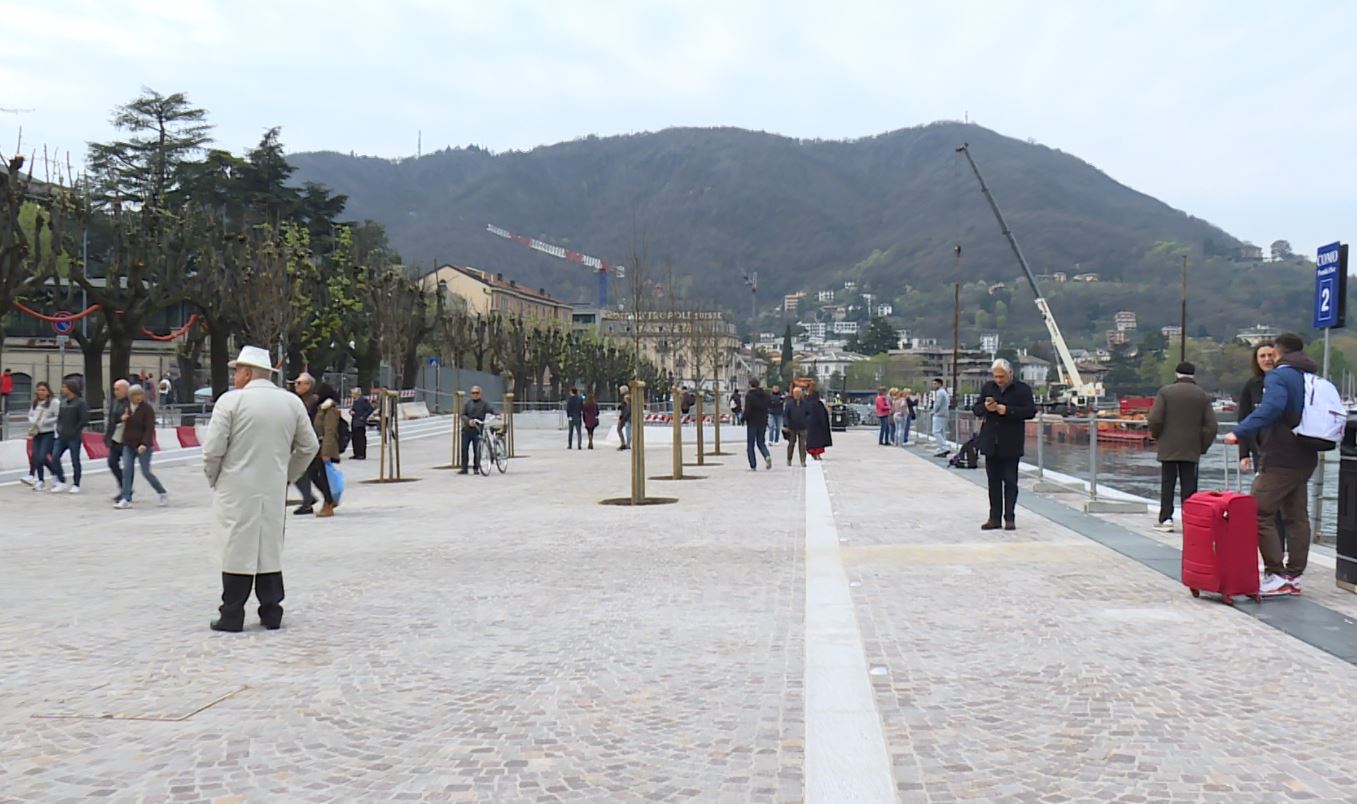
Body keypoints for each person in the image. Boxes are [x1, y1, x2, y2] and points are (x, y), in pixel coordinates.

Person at [202, 345, 319, 632]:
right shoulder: (291, 403)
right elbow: (309, 445)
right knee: (268, 548)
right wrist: (288, 475)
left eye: (236, 372)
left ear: (245, 372)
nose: (234, 378)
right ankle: (271, 610)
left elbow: (213, 449)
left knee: (236, 548)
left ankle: (232, 612)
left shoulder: (230, 402)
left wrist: (214, 477)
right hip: (272, 486)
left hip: (235, 485)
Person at [1224, 332, 1318, 596]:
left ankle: (1275, 573)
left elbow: (1271, 407)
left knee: (1258, 511)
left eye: (1272, 353)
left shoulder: (1280, 375)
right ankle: (1295, 575)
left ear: (1279, 352)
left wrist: (1239, 433)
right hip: (1306, 454)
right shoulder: (1310, 375)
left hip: (1280, 455)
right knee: (1296, 515)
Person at [1147, 362, 1218, 532]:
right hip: (1191, 448)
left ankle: (1166, 519)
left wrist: (1157, 436)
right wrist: (1202, 446)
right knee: (1190, 487)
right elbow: (1212, 427)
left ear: (1176, 373)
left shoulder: (1165, 392)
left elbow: (1155, 419)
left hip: (1168, 447)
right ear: (1194, 375)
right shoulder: (1202, 396)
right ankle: (1190, 521)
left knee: (1167, 484)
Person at [972, 359, 1037, 531]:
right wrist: (986, 408)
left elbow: (1030, 411)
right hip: (990, 441)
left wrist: (1007, 410)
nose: (999, 380)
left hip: (1011, 441)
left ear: (1010, 374)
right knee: (993, 482)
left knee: (1010, 481)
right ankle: (994, 518)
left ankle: (1010, 517)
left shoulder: (1022, 389)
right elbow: (976, 409)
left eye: (1002, 376)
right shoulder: (988, 387)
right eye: (996, 376)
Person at [115, 384, 169, 509]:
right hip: (128, 444)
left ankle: (162, 492)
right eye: (135, 395)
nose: (138, 397)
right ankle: (126, 498)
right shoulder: (126, 407)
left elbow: (149, 428)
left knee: (146, 472)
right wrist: (122, 418)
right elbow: (117, 420)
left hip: (143, 445)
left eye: (140, 394)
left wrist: (144, 443)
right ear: (130, 396)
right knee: (127, 471)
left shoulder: (147, 409)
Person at [1238, 342, 1278, 474]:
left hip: (1283, 450)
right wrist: (1244, 454)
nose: (1267, 359)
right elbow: (1244, 420)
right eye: (1262, 356)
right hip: (1259, 450)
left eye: (1270, 355)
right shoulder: (1251, 385)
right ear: (1256, 360)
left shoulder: (1286, 382)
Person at [49, 379, 90, 494]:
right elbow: (60, 417)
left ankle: (76, 483)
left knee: (75, 460)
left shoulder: (80, 403)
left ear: (71, 389)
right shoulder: (63, 402)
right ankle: (61, 480)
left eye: (64, 387)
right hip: (62, 436)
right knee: (55, 457)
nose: (62, 390)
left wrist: (75, 430)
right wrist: (59, 427)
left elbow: (84, 419)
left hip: (74, 437)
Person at [309, 383, 342, 518]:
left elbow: (330, 431)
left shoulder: (330, 409)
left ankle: (328, 503)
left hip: (324, 448)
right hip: (317, 447)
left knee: (323, 476)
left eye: (317, 393)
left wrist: (326, 452)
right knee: (314, 473)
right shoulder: (320, 408)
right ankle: (329, 500)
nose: (315, 396)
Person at [22, 381, 60, 490]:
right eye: (39, 390)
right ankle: (40, 480)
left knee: (42, 456)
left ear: (48, 391)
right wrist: (32, 421)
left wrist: (46, 421)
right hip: (37, 433)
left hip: (48, 433)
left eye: (43, 390)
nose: (41, 392)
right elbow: (30, 414)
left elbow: (58, 416)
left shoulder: (54, 402)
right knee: (36, 456)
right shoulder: (35, 402)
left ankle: (55, 475)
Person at [291, 373, 320, 514]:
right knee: (300, 472)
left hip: (310, 443)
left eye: (299, 383)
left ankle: (310, 500)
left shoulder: (314, 402)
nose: (295, 385)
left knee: (300, 471)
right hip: (301, 442)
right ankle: (309, 498)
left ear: (308, 385)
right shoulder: (299, 400)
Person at [105, 379, 132, 500]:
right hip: (115, 437)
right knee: (112, 462)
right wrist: (107, 437)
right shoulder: (115, 402)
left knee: (127, 466)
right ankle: (124, 487)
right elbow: (111, 420)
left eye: (118, 389)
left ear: (126, 389)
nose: (115, 392)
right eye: (114, 389)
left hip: (127, 438)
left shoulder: (132, 402)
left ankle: (126, 491)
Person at [460, 385, 494, 473]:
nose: (475, 394)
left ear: (480, 394)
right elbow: (463, 414)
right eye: (473, 393)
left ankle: (476, 468)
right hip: (467, 429)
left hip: (477, 430)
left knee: (477, 449)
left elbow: (491, 409)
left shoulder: (484, 403)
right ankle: (464, 468)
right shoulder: (468, 403)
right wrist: (468, 421)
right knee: (464, 449)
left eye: (477, 393)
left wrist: (497, 414)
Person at [743, 379, 772, 470]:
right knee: (761, 442)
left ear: (750, 384)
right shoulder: (765, 395)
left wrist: (743, 418)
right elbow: (769, 406)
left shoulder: (749, 396)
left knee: (750, 445)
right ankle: (766, 455)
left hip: (752, 422)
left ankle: (753, 465)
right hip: (763, 421)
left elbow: (747, 409)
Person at [783, 385, 810, 467]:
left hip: (803, 427)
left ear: (801, 394)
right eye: (795, 393)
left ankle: (803, 461)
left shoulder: (805, 403)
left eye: (799, 393)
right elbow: (786, 415)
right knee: (791, 444)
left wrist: (807, 421)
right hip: (792, 427)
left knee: (803, 445)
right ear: (793, 394)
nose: (797, 395)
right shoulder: (789, 403)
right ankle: (789, 459)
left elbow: (809, 413)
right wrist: (786, 425)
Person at [806, 389, 833, 460]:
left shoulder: (807, 403)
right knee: (818, 442)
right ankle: (817, 454)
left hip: (809, 426)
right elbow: (823, 415)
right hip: (818, 426)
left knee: (811, 441)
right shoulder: (819, 404)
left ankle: (813, 453)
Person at [349, 387, 373, 460]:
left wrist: (363, 416)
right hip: (354, 421)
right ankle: (356, 453)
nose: (351, 395)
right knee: (354, 438)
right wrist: (351, 411)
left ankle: (361, 454)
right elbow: (354, 409)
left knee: (361, 438)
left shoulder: (363, 400)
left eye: (352, 393)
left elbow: (370, 409)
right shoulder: (355, 401)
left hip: (360, 422)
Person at [931, 378, 951, 457]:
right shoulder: (944, 392)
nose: (933, 385)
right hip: (944, 414)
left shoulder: (940, 393)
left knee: (936, 431)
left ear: (939, 384)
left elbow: (937, 404)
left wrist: (933, 411)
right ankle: (942, 448)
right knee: (942, 432)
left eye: (935, 384)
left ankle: (944, 447)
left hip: (939, 415)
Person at [616, 385, 632, 450]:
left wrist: (624, 416)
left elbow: (628, 408)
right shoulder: (625, 398)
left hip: (626, 417)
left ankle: (626, 444)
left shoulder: (626, 397)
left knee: (627, 431)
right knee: (621, 429)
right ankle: (625, 444)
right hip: (624, 416)